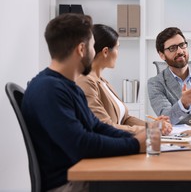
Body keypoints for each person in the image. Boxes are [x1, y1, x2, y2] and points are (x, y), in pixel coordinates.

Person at [22, 14, 146, 192]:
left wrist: (140, 138)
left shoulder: (67, 87)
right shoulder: (49, 89)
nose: (94, 51)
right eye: (92, 45)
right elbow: (81, 145)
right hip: (69, 185)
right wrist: (135, 145)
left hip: (83, 175)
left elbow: (98, 127)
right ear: (81, 49)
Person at [76, 24, 172, 135]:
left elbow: (125, 118)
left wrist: (153, 125)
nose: (118, 53)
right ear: (106, 51)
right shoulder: (85, 81)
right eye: (117, 48)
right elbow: (104, 126)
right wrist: (151, 130)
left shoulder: (103, 81)